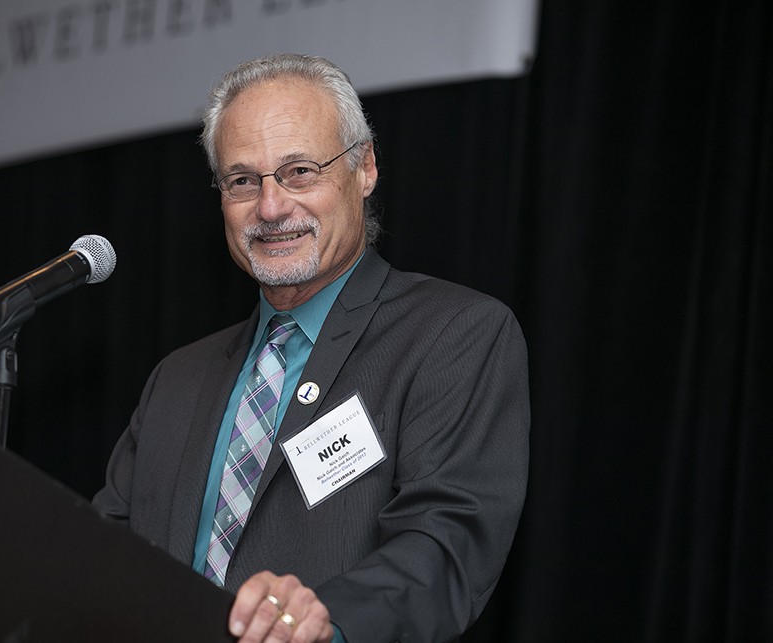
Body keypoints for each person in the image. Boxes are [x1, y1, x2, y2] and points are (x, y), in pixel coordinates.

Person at [92, 53, 530, 643]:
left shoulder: (452, 334)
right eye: (243, 180)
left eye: (299, 171)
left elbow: (447, 544)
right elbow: (100, 553)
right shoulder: (178, 377)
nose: (271, 208)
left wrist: (324, 617)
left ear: (365, 167)